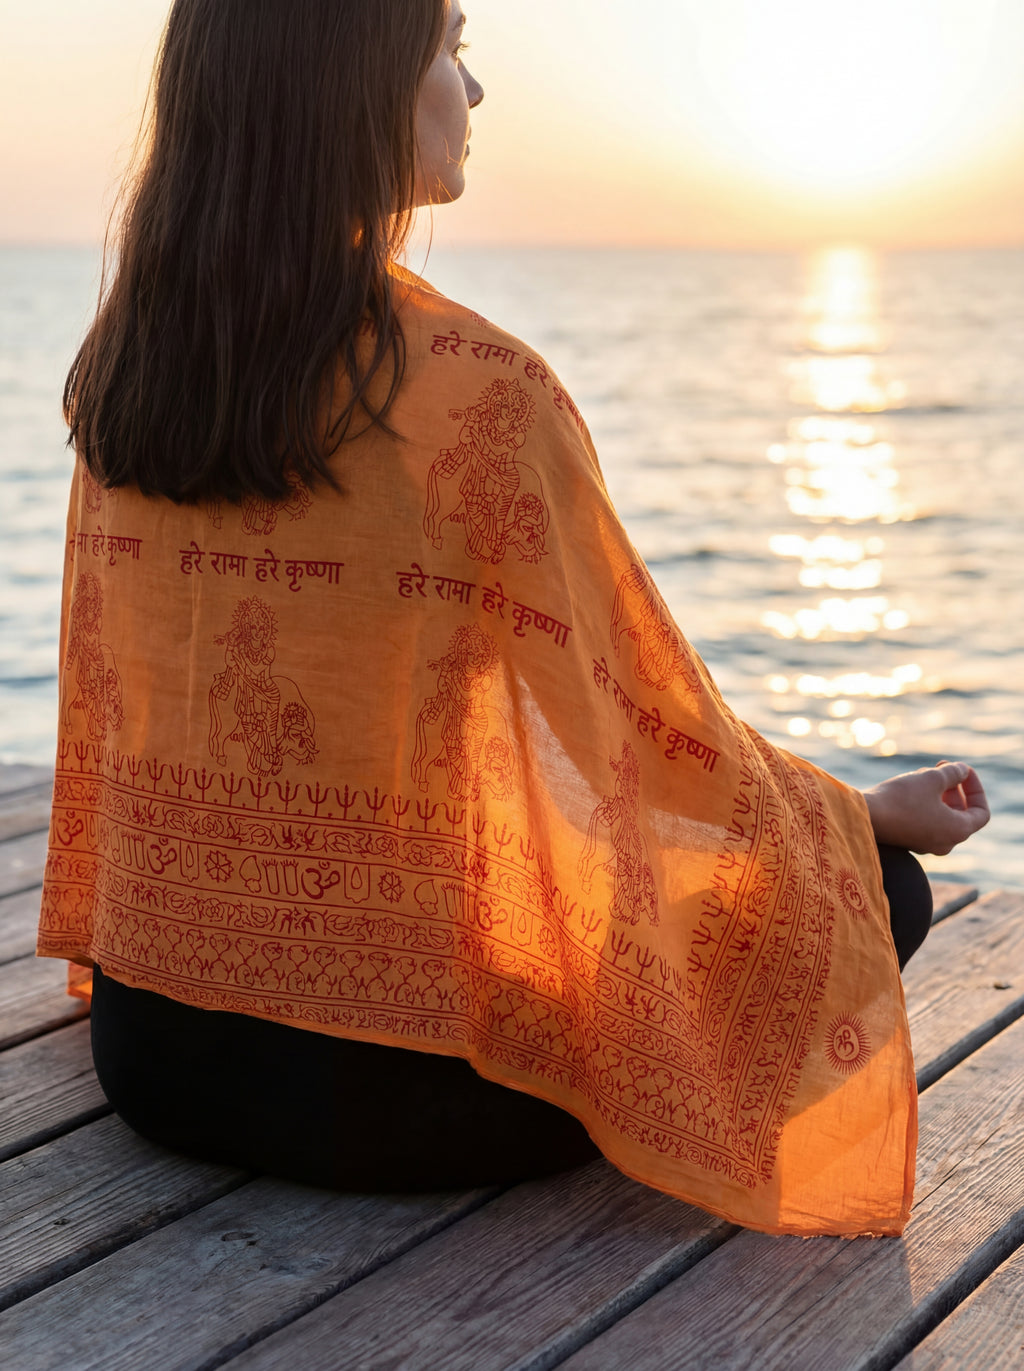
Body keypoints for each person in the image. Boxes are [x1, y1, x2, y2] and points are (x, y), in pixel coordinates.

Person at [38, 0, 989, 1238]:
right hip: (401, 1099)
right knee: (877, 897)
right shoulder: (481, 400)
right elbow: (639, 729)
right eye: (452, 49)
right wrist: (853, 819)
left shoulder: (129, 373)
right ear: (357, 85)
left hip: (158, 1056)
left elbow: (107, 719)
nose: (472, 93)